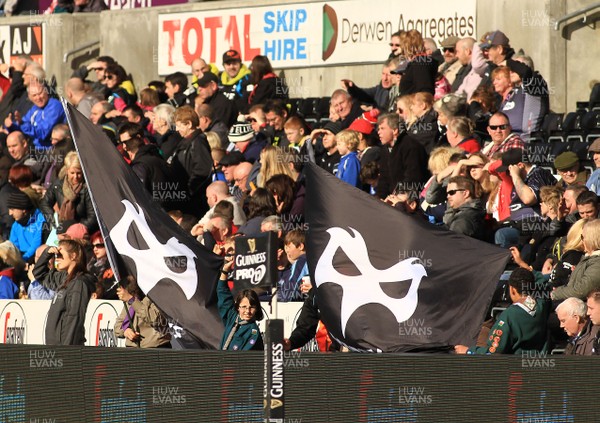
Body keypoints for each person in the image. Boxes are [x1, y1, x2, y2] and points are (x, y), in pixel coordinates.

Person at [455, 268, 550, 354]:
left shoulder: (509, 317)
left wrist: (468, 351)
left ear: (512, 289)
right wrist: (525, 266)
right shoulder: (543, 303)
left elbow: (493, 353)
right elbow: (543, 282)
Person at [32, 240, 96, 345]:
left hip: (66, 348)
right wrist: (47, 253)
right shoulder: (63, 278)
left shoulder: (79, 283)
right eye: (56, 255)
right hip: (55, 346)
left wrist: (66, 350)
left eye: (60, 255)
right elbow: (39, 274)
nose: (57, 258)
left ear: (73, 256)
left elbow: (74, 317)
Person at [39, 151, 97, 234]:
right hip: (62, 229)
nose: (75, 177)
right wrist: (54, 221)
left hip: (81, 233)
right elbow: (45, 204)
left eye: (79, 173)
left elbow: (93, 217)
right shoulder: (58, 185)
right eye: (72, 173)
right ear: (67, 170)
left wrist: (76, 229)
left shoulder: (87, 188)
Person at [376, 113, 429, 198]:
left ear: (395, 130)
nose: (379, 132)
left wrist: (397, 198)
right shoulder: (385, 150)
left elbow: (413, 178)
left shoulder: (411, 147)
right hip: (392, 200)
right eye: (378, 129)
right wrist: (379, 198)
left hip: (409, 201)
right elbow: (383, 179)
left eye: (382, 128)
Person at [218, 255, 264, 351]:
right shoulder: (232, 317)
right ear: (238, 307)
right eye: (244, 307)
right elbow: (223, 293)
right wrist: (225, 270)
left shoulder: (253, 332)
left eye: (252, 307)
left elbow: (244, 357)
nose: (247, 311)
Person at [4, 82, 67, 150]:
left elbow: (43, 133)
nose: (38, 98)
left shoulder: (54, 106)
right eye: (34, 95)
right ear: (30, 97)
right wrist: (11, 126)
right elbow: (24, 127)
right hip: (35, 148)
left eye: (40, 93)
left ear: (46, 92)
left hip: (51, 149)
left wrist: (22, 124)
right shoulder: (35, 108)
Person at [114, 276, 171, 348]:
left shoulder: (156, 295)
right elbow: (118, 326)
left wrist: (132, 300)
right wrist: (126, 331)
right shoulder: (133, 297)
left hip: (155, 349)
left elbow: (155, 320)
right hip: (133, 349)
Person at [552, 219, 600, 301]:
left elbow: (580, 291)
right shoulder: (588, 258)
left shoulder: (597, 263)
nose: (582, 240)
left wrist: (554, 293)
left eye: (582, 237)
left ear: (591, 238)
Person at [8, 191, 46, 263]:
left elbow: (36, 245)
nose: (10, 213)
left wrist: (22, 260)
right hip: (22, 259)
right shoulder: (16, 224)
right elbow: (13, 246)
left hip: (36, 258)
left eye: (12, 209)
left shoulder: (40, 220)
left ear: (23, 209)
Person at [278, 229, 309, 302]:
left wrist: (274, 298)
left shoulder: (301, 262)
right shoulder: (309, 259)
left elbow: (291, 290)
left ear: (301, 246)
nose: (287, 251)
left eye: (289, 247)